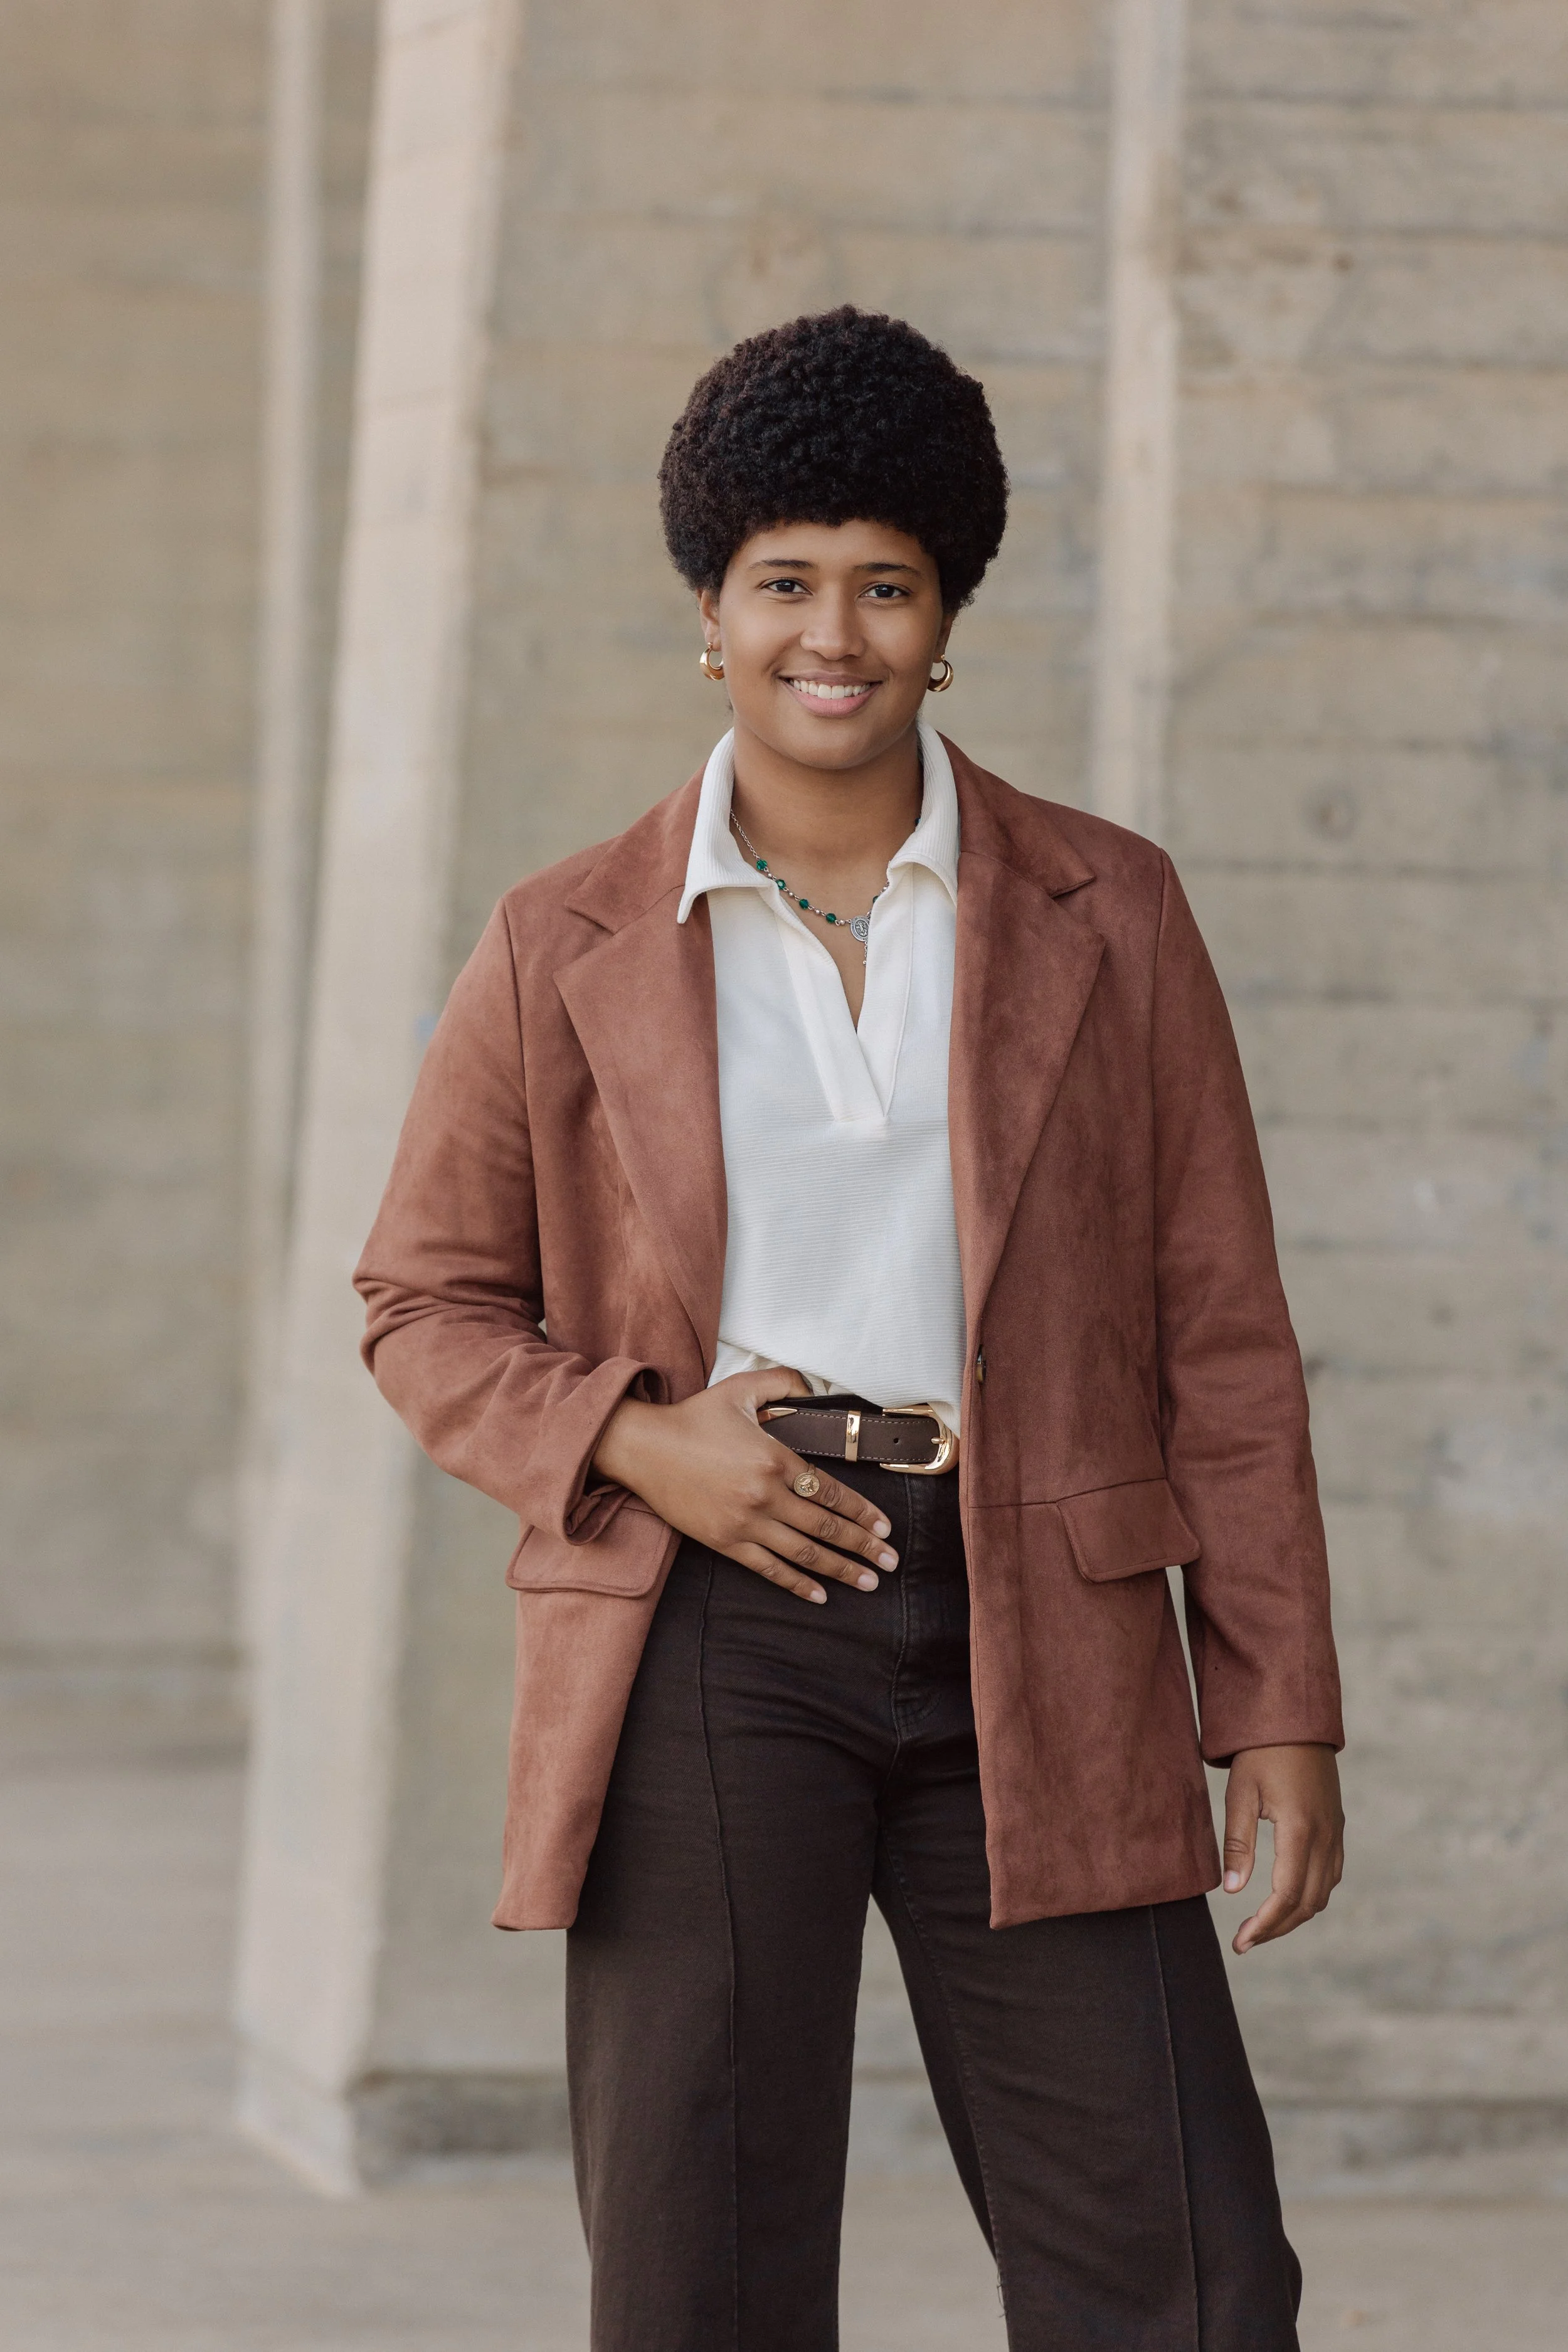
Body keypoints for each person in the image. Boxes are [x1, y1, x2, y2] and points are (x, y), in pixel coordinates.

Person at [354, 305, 1345, 2351]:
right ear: (708, 616)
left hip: (1043, 1610)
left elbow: (1222, 1335)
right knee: (699, 2270)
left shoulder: (1110, 910)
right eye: (782, 581)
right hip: (710, 1624)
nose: (833, 632)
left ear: (945, 615)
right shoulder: (564, 938)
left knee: (1185, 2274)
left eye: (885, 585)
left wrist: (1275, 1698)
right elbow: (421, 1302)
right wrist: (639, 1436)